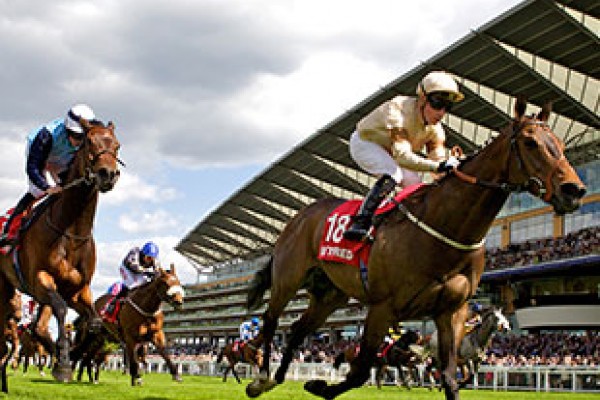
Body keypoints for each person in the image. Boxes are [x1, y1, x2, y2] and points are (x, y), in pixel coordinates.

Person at [343, 71, 464, 241]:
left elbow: (438, 168)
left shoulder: (436, 131)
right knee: (394, 174)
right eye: (437, 104)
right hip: (365, 142)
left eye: (448, 107)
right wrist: (437, 166)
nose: (442, 112)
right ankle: (360, 223)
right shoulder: (398, 110)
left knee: (416, 185)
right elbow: (402, 157)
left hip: (391, 151)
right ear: (422, 99)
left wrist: (456, 167)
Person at [0, 104, 96, 245]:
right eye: (75, 135)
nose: (78, 141)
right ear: (67, 129)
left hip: (63, 156)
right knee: (37, 191)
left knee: (69, 187)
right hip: (42, 156)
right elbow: (32, 168)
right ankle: (7, 231)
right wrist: (46, 187)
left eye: (82, 137)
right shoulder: (45, 136)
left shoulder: (92, 127)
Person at [100, 241, 160, 323]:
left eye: (152, 258)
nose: (150, 260)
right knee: (132, 285)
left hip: (139, 271)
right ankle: (109, 307)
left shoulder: (155, 261)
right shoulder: (134, 253)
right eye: (148, 257)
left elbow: (158, 272)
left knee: (145, 283)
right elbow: (134, 267)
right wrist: (148, 272)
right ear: (143, 254)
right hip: (127, 269)